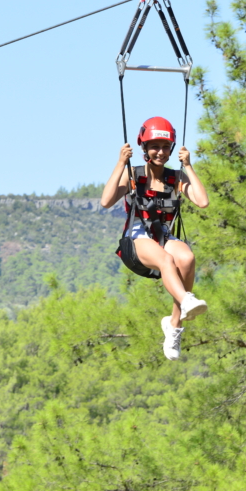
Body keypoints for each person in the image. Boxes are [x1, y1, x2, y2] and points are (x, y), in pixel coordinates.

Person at [100, 116, 210, 360]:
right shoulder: (133, 175)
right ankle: (185, 299)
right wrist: (120, 164)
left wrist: (189, 166)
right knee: (166, 260)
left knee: (187, 258)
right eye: (154, 147)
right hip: (137, 237)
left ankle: (174, 324)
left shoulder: (175, 178)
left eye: (164, 147)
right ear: (144, 148)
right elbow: (106, 201)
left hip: (163, 234)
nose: (160, 152)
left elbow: (202, 201)